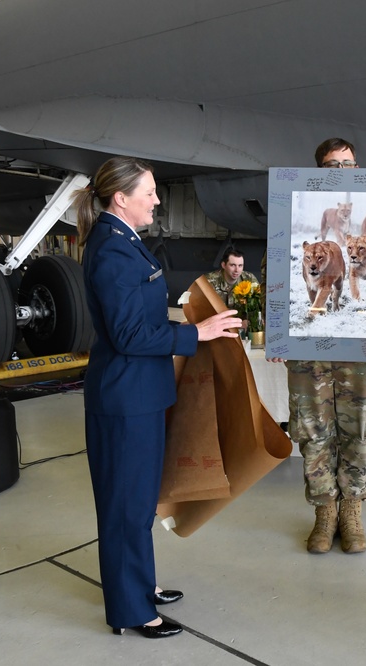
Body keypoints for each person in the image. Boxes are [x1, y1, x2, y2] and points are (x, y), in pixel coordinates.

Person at [75, 156, 240, 638]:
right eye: (148, 192)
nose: (157, 200)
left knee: (140, 502)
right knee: (125, 507)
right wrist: (195, 333)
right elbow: (128, 334)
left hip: (140, 395)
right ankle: (131, 609)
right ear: (121, 198)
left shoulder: (124, 242)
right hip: (124, 400)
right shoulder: (111, 251)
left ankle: (139, 585)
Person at [285, 137, 366, 555]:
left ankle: (352, 511)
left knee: (359, 428)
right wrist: (276, 333)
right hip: (310, 352)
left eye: (348, 165)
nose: (341, 172)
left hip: (362, 350)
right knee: (312, 430)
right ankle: (325, 511)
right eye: (331, 165)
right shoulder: (294, 208)